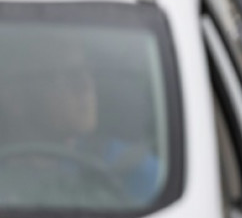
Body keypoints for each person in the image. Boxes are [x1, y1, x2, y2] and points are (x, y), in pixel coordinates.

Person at [0, 38, 160, 207]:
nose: (85, 85)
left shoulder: (133, 171)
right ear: (13, 97)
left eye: (87, 71)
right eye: (65, 75)